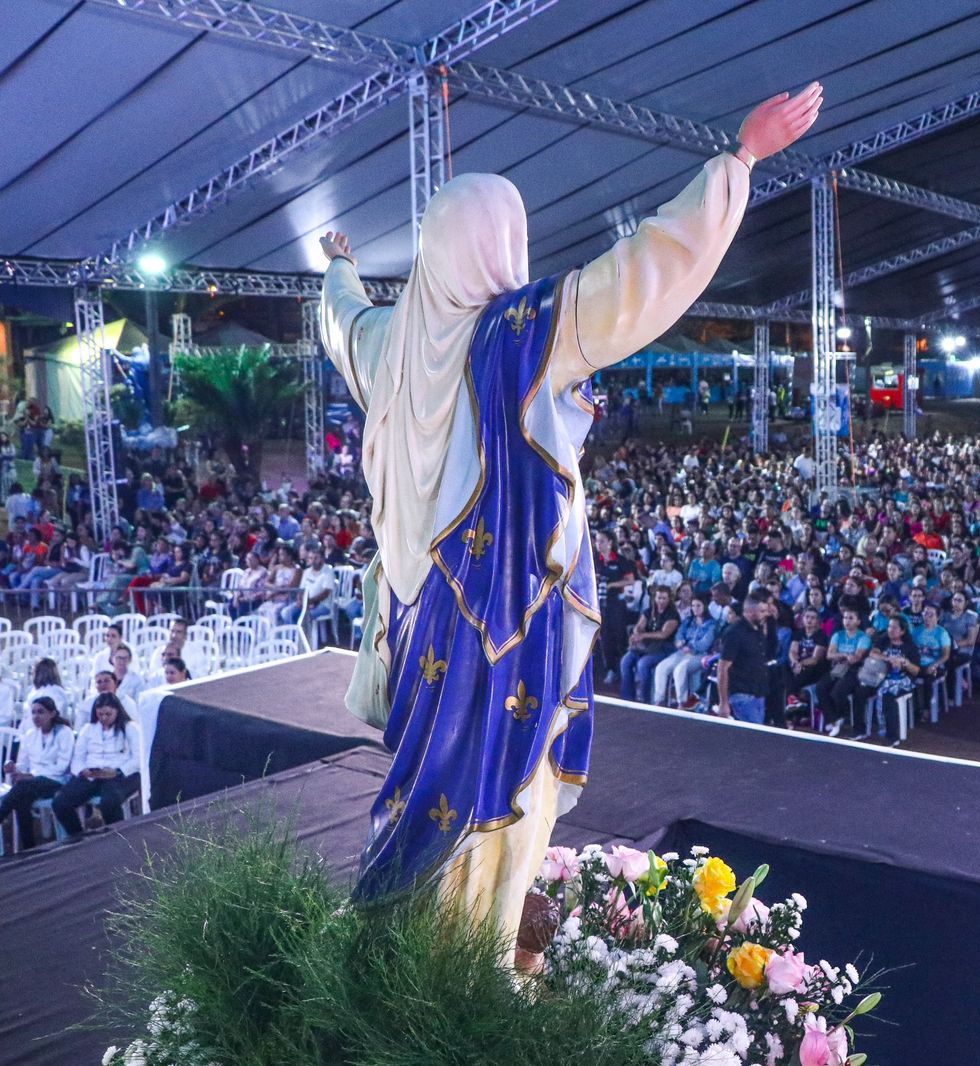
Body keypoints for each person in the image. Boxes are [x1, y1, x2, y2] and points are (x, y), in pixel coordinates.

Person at [318, 81, 824, 948]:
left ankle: (407, 943)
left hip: (420, 613)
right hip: (503, 611)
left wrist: (337, 264)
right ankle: (469, 955)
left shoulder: (388, 343)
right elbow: (643, 273)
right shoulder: (519, 331)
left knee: (426, 772)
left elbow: (341, 319)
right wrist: (737, 163)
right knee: (500, 784)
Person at [53, 693, 141, 836]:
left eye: (108, 714)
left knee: (109, 802)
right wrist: (83, 770)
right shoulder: (88, 729)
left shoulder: (130, 728)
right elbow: (78, 757)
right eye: (100, 714)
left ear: (117, 711)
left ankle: (118, 838)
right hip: (93, 774)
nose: (104, 718)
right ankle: (78, 837)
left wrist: (117, 771)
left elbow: (138, 759)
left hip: (121, 775)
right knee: (60, 802)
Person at [0, 697, 75, 850]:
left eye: (41, 712)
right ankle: (30, 848)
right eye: (33, 712)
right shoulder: (30, 734)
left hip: (56, 779)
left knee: (21, 788)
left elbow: (62, 766)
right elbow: (25, 764)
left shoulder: (64, 732)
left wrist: (32, 775)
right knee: (21, 798)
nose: (36, 716)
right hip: (32, 783)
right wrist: (14, 767)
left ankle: (3, 813)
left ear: (52, 713)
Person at [716, 592, 775, 725]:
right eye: (762, 611)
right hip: (741, 695)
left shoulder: (758, 630)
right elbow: (722, 668)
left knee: (754, 737)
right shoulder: (734, 634)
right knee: (754, 738)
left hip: (758, 693)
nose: (766, 614)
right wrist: (723, 702)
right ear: (749, 611)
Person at [650, 593, 718, 708]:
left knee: (680, 670)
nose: (695, 609)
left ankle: (682, 702)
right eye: (693, 606)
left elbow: (705, 643)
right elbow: (679, 634)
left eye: (698, 606)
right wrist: (679, 641)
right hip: (682, 652)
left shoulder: (712, 624)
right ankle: (659, 700)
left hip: (700, 655)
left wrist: (690, 646)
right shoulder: (688, 621)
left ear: (705, 606)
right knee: (662, 667)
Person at [619, 585, 680, 703]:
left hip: (663, 648)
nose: (661, 601)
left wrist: (644, 635)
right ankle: (627, 698)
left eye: (664, 598)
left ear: (669, 599)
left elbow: (664, 634)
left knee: (643, 664)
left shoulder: (672, 615)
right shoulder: (649, 611)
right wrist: (637, 633)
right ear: (654, 598)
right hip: (646, 647)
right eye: (659, 598)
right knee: (625, 662)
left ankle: (645, 698)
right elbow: (639, 625)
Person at [822, 608, 874, 737]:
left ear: (858, 621)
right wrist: (845, 655)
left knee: (837, 692)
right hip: (838, 668)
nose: (847, 621)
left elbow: (856, 657)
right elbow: (829, 654)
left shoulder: (863, 637)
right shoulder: (838, 635)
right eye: (845, 618)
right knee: (820, 688)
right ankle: (834, 719)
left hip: (854, 671)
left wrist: (841, 656)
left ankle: (843, 716)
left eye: (851, 618)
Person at [783, 607, 831, 724]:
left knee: (805, 671)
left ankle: (791, 712)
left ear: (818, 620)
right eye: (807, 617)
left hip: (815, 669)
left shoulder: (821, 635)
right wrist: (795, 662)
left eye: (813, 618)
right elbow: (792, 651)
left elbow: (815, 659)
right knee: (784, 669)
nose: (809, 620)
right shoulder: (798, 633)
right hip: (799, 666)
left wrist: (800, 664)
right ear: (803, 618)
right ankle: (795, 705)